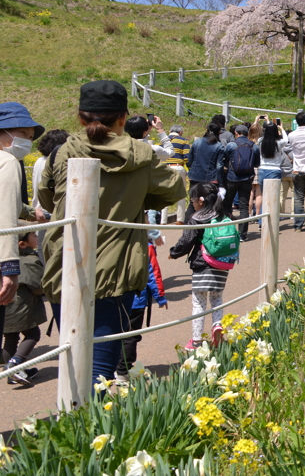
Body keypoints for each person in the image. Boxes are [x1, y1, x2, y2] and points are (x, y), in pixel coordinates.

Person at [38, 80, 185, 385]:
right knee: (99, 376)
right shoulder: (141, 156)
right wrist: (138, 195)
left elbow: (47, 200)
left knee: (72, 372)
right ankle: (91, 431)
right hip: (114, 274)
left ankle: (72, 428)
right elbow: (175, 188)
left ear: (80, 117)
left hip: (63, 267)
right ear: (123, 118)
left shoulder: (60, 154)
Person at [168, 183, 234, 349]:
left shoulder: (197, 218)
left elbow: (186, 240)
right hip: (222, 264)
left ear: (201, 201)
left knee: (199, 302)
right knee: (217, 298)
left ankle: (196, 340)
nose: (192, 203)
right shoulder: (223, 215)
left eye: (193, 200)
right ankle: (217, 325)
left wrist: (174, 253)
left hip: (202, 264)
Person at [0, 103, 44, 343]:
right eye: (21, 134)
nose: (27, 141)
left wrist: (28, 212)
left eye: (30, 137)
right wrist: (10, 269)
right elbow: (5, 220)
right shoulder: (7, 162)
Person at [114, 240, 167, 382]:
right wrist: (160, 296)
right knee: (130, 335)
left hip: (112, 296)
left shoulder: (112, 238)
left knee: (113, 333)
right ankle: (123, 371)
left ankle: (110, 368)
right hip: (135, 299)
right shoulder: (145, 244)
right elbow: (152, 272)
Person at [2, 231, 46, 386]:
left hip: (6, 306)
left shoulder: (5, 258)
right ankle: (15, 363)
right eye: (33, 235)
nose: (36, 237)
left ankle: (11, 374)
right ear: (22, 244)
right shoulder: (28, 260)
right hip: (22, 306)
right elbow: (38, 286)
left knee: (11, 337)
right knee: (33, 334)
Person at [223, 125, 259, 242]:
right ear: (247, 133)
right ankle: (242, 234)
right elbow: (256, 163)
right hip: (247, 179)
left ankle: (226, 232)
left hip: (232, 178)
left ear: (236, 133)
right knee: (244, 207)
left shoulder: (231, 145)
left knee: (227, 205)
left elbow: (226, 159)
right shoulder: (254, 146)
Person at [256, 123, 292, 219]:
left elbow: (258, 135)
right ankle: (272, 220)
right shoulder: (278, 143)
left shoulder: (260, 141)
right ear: (276, 132)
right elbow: (286, 140)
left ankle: (261, 221)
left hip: (262, 169)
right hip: (274, 170)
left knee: (264, 197)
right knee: (273, 197)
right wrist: (282, 129)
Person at [187, 122, 227, 194]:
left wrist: (191, 169)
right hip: (211, 178)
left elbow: (190, 159)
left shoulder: (197, 142)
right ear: (219, 132)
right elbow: (219, 166)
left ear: (206, 130)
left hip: (195, 176)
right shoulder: (219, 146)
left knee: (193, 201)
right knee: (209, 202)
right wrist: (221, 183)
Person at [165, 124, 190, 223]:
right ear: (180, 132)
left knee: (165, 194)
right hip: (178, 167)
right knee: (181, 194)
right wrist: (189, 169)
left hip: (165, 168)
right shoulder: (183, 140)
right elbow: (186, 157)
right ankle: (180, 220)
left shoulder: (163, 141)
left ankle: (163, 221)